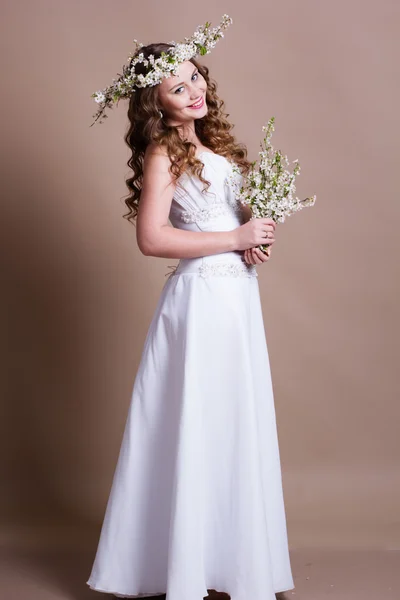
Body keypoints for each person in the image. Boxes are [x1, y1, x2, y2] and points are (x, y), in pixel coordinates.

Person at [86, 14, 295, 600]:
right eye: (177, 87)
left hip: (234, 298)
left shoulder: (214, 148)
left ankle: (232, 564)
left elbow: (226, 226)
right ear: (157, 104)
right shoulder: (163, 155)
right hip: (200, 304)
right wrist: (233, 238)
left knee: (231, 421)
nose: (194, 90)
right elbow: (152, 238)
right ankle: (183, 568)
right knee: (195, 422)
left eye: (194, 76)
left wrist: (251, 242)